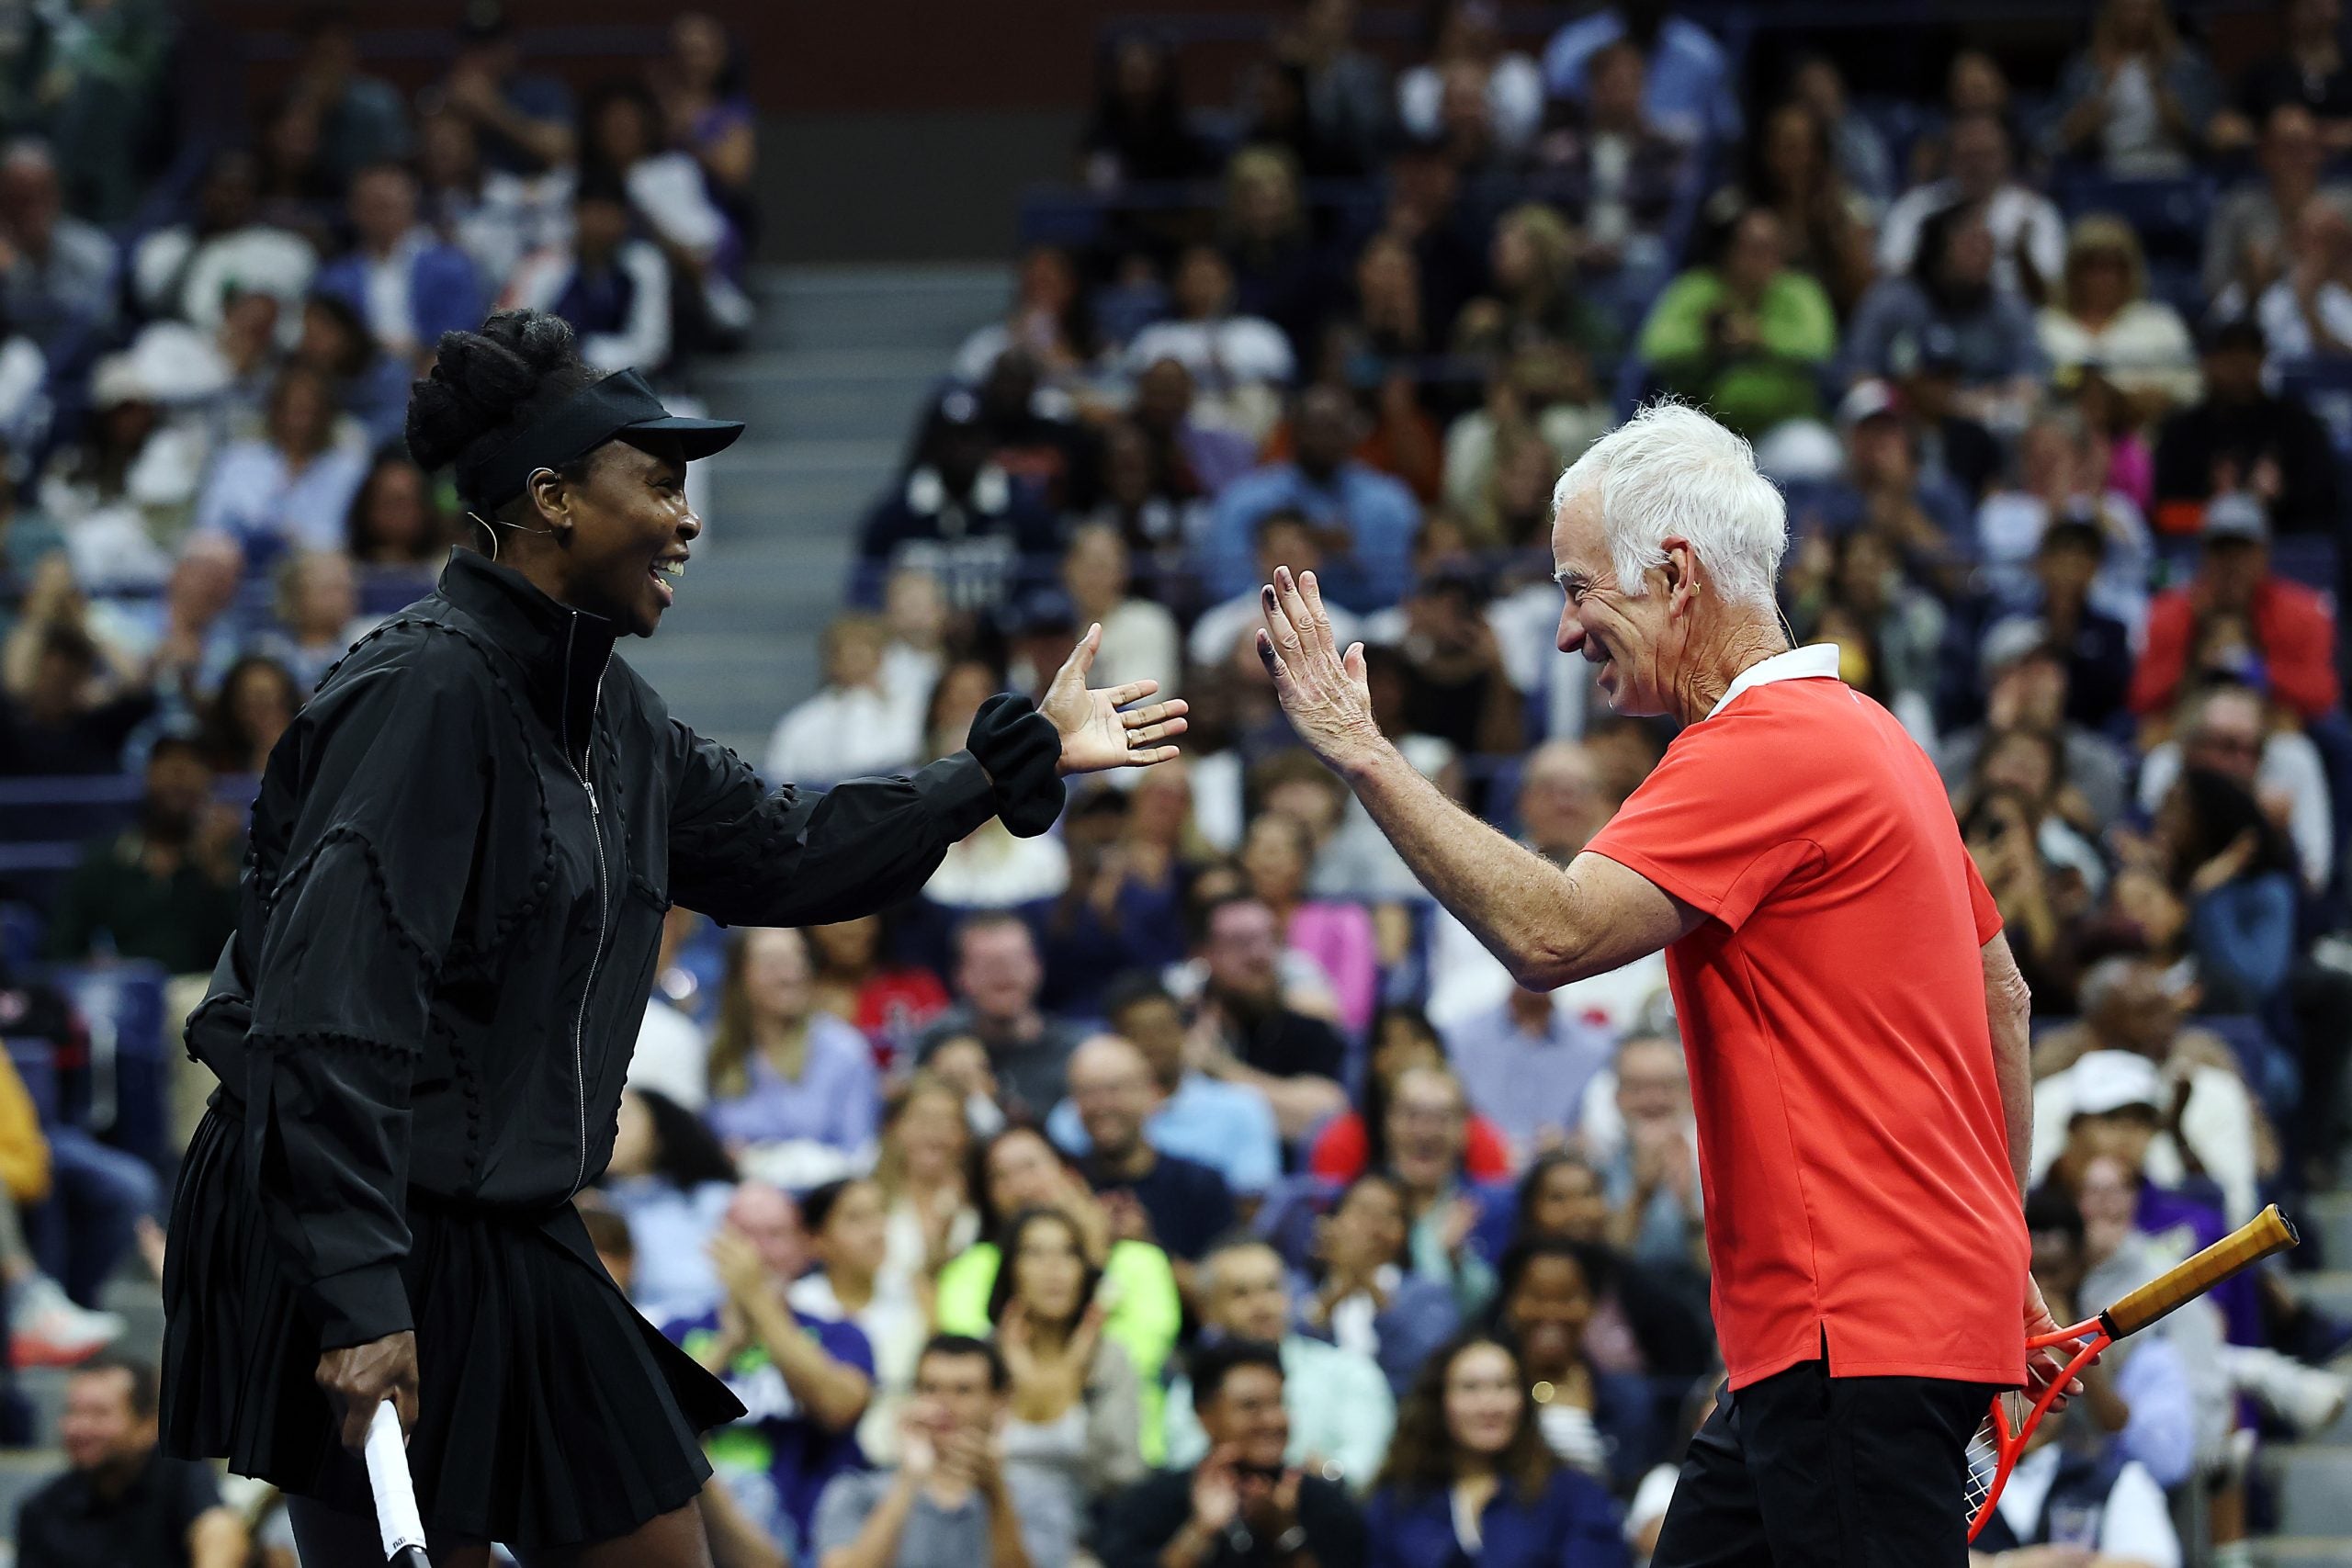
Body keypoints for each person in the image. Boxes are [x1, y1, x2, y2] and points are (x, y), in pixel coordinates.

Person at [157, 310, 1187, 1566]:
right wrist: (359, 1290)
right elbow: (328, 1018)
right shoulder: (421, 694)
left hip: (501, 1215)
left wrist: (993, 772)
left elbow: (787, 847)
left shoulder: (614, 715)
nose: (686, 520)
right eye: (657, 484)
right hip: (346, 1206)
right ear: (552, 500)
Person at [1254, 401, 2052, 1564]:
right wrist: (1996, 1261)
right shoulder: (1878, 738)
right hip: (1842, 1334)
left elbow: (1552, 935)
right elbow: (2004, 1000)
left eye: (1579, 589)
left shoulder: (1761, 749)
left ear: (1675, 575)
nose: (1565, 632)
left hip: (1848, 1332)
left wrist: (1362, 750)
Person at [933, 1123, 1183, 1458]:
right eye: (1000, 1176)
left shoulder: (1139, 1260)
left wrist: (1094, 1262)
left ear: (1067, 1172)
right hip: (1004, 1447)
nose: (1021, 1185)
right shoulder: (971, 1266)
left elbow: (1143, 1353)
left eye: (1030, 1166)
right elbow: (970, 1358)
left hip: (1122, 1449)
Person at [667, 1181, 876, 1558]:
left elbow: (838, 1409)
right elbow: (656, 1425)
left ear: (803, 1246)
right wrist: (727, 1344)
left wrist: (759, 1306)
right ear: (718, 1245)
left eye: (775, 1235)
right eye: (745, 1234)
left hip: (807, 1539)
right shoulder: (677, 1334)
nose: (758, 1252)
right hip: (701, 1529)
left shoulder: (839, 1334)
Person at [1097, 1338, 1370, 1568]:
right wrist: (1200, 1530)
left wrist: (1286, 1534)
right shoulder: (1153, 1501)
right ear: (1204, 1416)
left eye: (1279, 1403)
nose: (1273, 1420)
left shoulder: (1323, 1502)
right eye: (1250, 1407)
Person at [1363, 1334, 1626, 1568]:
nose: (1489, 1405)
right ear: (1439, 1401)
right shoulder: (1397, 1500)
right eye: (1470, 1388)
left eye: (1503, 1386)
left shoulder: (1574, 1495)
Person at [813, 1335, 1073, 1568]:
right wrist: (908, 1480)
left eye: (963, 1390)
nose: (944, 1404)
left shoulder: (1039, 1499)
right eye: (931, 1388)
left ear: (999, 1401)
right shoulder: (856, 1492)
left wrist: (996, 1495)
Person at [1163, 1238, 1396, 1485]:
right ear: (1207, 1311)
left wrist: (1321, 1480)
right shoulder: (1192, 1389)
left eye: (1271, 1288)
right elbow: (1186, 1466)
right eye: (1241, 1294)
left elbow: (1365, 1465)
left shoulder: (1349, 1372)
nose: (1262, 1306)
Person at [1044, 973, 1283, 1198]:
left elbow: (1255, 1205)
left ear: (1184, 1030)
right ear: (1114, 1038)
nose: (1152, 1042)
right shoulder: (1076, 1117)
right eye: (1137, 1031)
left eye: (1162, 1028)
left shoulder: (1240, 1108)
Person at [987, 1205, 1146, 1525]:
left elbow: (1122, 1473)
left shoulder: (1108, 1359)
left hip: (1088, 1530)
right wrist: (1017, 1378)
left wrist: (1075, 1379)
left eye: (1068, 1253)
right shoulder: (985, 1356)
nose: (1054, 1269)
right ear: (1011, 1269)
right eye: (1035, 1253)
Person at [17, 1352, 247, 1568]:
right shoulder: (42, 1509)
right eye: (73, 1412)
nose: (80, 1427)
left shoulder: (179, 1473)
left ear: (147, 1425)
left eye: (99, 1413)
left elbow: (218, 1530)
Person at [1205, 385, 1421, 613]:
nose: (1323, 439)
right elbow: (1226, 584)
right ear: (1293, 431)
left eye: (1334, 428)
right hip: (1268, 616)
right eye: (1314, 427)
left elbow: (1400, 588)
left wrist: (1349, 560)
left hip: (1367, 622)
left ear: (1353, 432)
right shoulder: (1245, 500)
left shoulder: (1388, 502)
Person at [2129, 492, 2340, 724]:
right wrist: (2195, 660)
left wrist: (2254, 669)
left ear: (2264, 553)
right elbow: (2142, 697)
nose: (2232, 563)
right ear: (2204, 555)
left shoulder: (2301, 612)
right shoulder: (2170, 612)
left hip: (2278, 723)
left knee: (2332, 733)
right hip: (2187, 725)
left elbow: (2322, 695)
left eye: (2242, 551)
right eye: (2222, 551)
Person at [1635, 205, 1837, 442]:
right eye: (1755, 248)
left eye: (1772, 247)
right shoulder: (1697, 288)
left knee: (1812, 452)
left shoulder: (1798, 290)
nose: (1765, 257)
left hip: (1783, 427)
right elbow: (1655, 348)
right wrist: (1708, 340)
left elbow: (1819, 346)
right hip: (1705, 429)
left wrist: (1759, 336)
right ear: (1729, 249)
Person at [41, 734, 242, 973]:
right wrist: (93, 967)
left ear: (209, 781)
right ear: (146, 775)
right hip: (126, 986)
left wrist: (217, 869)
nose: (179, 772)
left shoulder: (233, 860)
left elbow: (249, 952)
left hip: (206, 987)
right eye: (166, 760)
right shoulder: (106, 860)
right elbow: (59, 949)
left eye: (193, 762)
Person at [704, 926, 881, 1188]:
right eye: (773, 963)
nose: (790, 975)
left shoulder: (845, 1051)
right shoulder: (712, 1049)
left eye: (798, 959)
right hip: (731, 1198)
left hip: (819, 1200)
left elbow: (859, 1157)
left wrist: (765, 1164)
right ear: (740, 975)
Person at [2151, 317, 2339, 537]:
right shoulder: (2182, 430)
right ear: (2207, 361)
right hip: (2204, 546)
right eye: (2229, 353)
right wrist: (2215, 505)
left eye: (2250, 353)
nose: (2241, 364)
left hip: (2286, 544)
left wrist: (2279, 499)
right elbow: (2166, 513)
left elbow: (2325, 505)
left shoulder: (2296, 423)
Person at [1186, 891, 1352, 1141]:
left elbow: (1326, 1119)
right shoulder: (1178, 1022)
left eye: (1269, 940)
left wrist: (1222, 1070)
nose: (1259, 955)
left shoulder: (1306, 1029)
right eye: (1241, 942)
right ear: (1205, 953)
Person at [1063, 1034, 1234, 1276]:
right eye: (1087, 1092)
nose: (1101, 1105)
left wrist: (1146, 1245)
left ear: (1151, 1093)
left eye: (1114, 1089)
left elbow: (1221, 1291)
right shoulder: (1066, 1185)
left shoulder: (1200, 1184)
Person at [794, 1177, 930, 1465]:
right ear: (817, 1240)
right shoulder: (798, 1305)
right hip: (825, 1456)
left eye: (880, 1213)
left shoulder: (915, 1293)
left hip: (910, 1453)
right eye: (856, 1219)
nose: (877, 1231)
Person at [1297, 1171, 1464, 1396]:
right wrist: (1336, 1292)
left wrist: (1364, 1279)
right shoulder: (1301, 1286)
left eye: (1390, 1214)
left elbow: (1424, 1364)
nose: (1375, 1225)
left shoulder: (1427, 1293)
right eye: (1363, 1211)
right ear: (1333, 1222)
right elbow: (1292, 1348)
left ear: (1405, 1232)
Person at [1877, 112, 2064, 304]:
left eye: (1986, 156)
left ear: (2006, 157)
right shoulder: (1916, 208)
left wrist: (2020, 253)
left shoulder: (2035, 211)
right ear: (1949, 158)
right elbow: (1892, 274)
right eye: (1967, 155)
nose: (1977, 165)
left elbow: (2050, 287)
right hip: (1932, 310)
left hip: (2014, 312)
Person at [916, 915, 1088, 1121]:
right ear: (960, 976)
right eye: (987, 964)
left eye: (1014, 959)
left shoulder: (1077, 1053)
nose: (1003, 971)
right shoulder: (937, 1042)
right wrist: (935, 1080)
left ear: (1037, 966)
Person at [315, 163, 488, 367]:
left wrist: (425, 357)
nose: (382, 216)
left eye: (389, 205)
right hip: (360, 371)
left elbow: (462, 329)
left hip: (432, 368)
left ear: (411, 204)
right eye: (373, 206)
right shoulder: (336, 277)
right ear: (355, 210)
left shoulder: (451, 266)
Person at [597, 1087, 738, 1322]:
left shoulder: (713, 1199)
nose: (608, 1127)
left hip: (717, 1321)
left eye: (622, 1115)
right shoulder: (593, 1207)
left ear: (660, 1131)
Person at [2050, 0, 2222, 176]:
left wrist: (2157, 82)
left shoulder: (2183, 63)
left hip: (2172, 168)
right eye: (2130, 9)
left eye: (2146, 10)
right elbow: (2064, 138)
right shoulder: (2087, 67)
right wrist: (2104, 88)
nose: (2139, 18)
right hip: (2110, 173)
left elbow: (2198, 132)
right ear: (2112, 13)